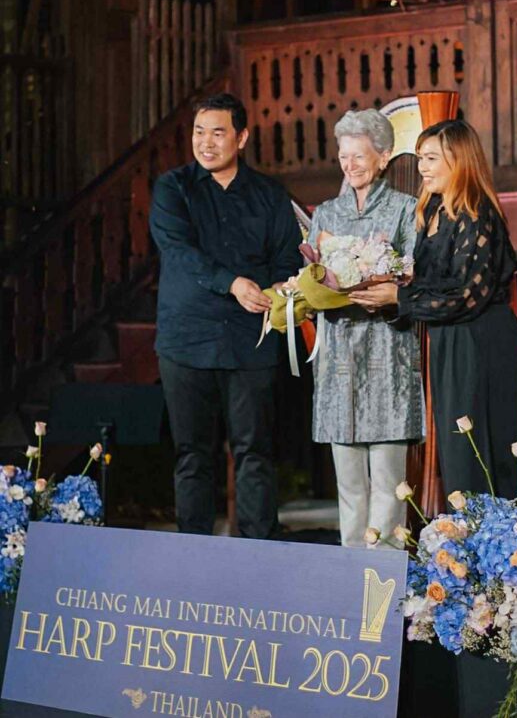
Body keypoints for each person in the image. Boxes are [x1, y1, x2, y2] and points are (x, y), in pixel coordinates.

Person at [150, 92, 302, 538]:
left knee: (255, 451)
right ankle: (193, 554)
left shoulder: (269, 194)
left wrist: (278, 288)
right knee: (192, 454)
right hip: (186, 339)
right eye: (199, 132)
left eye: (218, 133)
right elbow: (179, 252)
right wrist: (233, 283)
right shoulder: (173, 188)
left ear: (242, 137)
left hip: (251, 337)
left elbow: (287, 257)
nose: (206, 142)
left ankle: (259, 553)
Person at [350, 119, 517, 500]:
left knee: (477, 451)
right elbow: (432, 285)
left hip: (479, 342)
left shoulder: (477, 215)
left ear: (459, 161)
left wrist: (398, 299)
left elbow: (466, 295)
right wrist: (387, 289)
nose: (421, 167)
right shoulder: (435, 211)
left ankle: (491, 532)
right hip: (450, 337)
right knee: (458, 452)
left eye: (431, 158)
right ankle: (467, 529)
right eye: (420, 158)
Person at [308, 109, 425, 548]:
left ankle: (385, 578)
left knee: (389, 486)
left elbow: (415, 281)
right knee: (349, 488)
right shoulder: (326, 214)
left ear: (383, 156)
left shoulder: (405, 210)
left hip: (387, 355)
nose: (350, 165)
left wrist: (390, 294)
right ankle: (350, 575)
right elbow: (312, 279)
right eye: (343, 156)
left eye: (359, 155)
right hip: (338, 356)